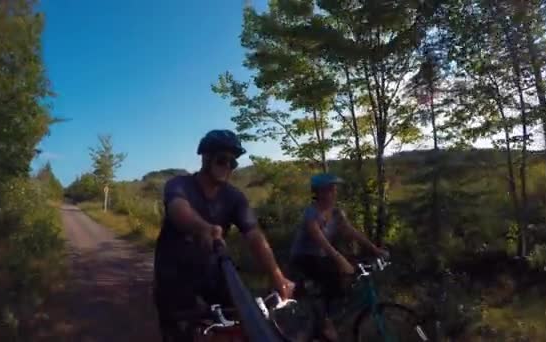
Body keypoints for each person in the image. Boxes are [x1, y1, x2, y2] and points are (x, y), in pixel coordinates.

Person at [153, 129, 295, 341]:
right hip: (173, 274)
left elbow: (254, 235)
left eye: (233, 163)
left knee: (242, 322)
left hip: (214, 272)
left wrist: (277, 276)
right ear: (205, 158)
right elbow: (177, 209)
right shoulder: (179, 184)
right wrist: (203, 228)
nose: (228, 167)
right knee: (177, 332)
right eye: (222, 160)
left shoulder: (234, 197)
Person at [289, 173, 387, 341]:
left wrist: (374, 249)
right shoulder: (311, 214)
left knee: (350, 272)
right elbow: (320, 241)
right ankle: (326, 324)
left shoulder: (336, 213)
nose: (334, 192)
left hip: (321, 255)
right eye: (329, 189)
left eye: (334, 189)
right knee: (332, 276)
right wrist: (340, 260)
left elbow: (352, 232)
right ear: (318, 192)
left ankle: (330, 307)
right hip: (303, 257)